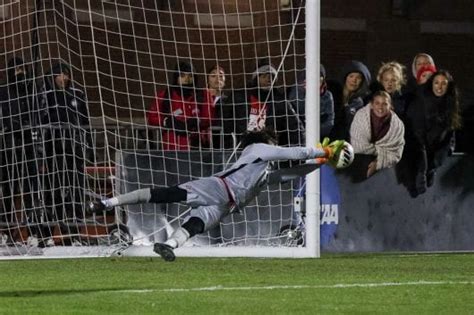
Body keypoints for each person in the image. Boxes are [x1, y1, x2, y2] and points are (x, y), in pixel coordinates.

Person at [88, 128, 353, 261]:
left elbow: (288, 174)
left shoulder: (262, 173)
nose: (275, 148)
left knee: (195, 225)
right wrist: (323, 152)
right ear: (264, 142)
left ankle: (168, 246)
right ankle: (109, 201)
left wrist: (317, 164)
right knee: (166, 194)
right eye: (274, 144)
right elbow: (292, 154)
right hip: (217, 187)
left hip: (227, 204)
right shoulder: (257, 150)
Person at [41, 61, 90, 244]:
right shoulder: (46, 95)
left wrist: (90, 147)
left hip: (74, 148)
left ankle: (74, 232)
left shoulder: (77, 94)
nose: (64, 77)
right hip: (53, 149)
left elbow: (85, 122)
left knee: (75, 189)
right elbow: (41, 119)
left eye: (66, 74)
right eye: (60, 74)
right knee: (52, 190)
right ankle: (47, 233)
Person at [398, 70, 461, 198]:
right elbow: (416, 134)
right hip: (415, 148)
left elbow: (449, 133)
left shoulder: (450, 104)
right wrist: (423, 167)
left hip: (433, 153)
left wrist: (434, 164)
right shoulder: (420, 101)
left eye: (444, 84)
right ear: (431, 84)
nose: (439, 87)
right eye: (436, 83)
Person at [0, 57, 40, 235]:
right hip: (8, 148)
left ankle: (32, 230)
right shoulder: (3, 91)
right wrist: (14, 125)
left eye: (23, 69)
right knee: (9, 190)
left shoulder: (32, 91)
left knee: (32, 190)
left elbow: (39, 115)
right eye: (16, 69)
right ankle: (6, 230)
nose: (20, 73)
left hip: (29, 146)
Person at [147, 61, 209, 150]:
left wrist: (198, 121)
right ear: (176, 77)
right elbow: (151, 117)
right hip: (171, 148)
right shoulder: (165, 95)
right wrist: (166, 121)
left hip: (197, 148)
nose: (187, 79)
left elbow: (210, 116)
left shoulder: (202, 94)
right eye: (182, 75)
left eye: (190, 76)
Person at [348, 91, 405, 182]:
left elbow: (396, 153)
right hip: (359, 154)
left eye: (384, 104)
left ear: (390, 106)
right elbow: (358, 145)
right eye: (377, 103)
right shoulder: (361, 116)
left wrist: (378, 163)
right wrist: (380, 151)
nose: (380, 107)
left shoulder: (397, 125)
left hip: (382, 157)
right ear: (371, 105)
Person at [287, 64, 335, 140]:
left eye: (319, 79)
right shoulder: (296, 93)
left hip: (319, 138)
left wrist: (313, 132)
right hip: (298, 139)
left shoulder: (327, 96)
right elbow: (294, 120)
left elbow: (329, 123)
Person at [329, 60, 371, 141]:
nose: (354, 81)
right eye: (351, 76)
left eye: (358, 78)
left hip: (344, 144)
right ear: (345, 78)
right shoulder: (332, 95)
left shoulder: (359, 103)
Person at [198, 64, 227, 148]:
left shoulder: (228, 101)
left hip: (220, 142)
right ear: (207, 79)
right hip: (199, 142)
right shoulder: (198, 98)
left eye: (221, 76)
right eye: (213, 75)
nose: (218, 78)